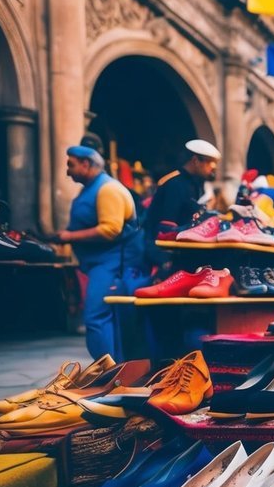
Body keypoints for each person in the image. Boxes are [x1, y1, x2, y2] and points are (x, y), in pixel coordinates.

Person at [54, 141, 141, 360]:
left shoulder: (107, 189)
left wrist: (69, 236)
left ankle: (108, 374)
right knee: (105, 317)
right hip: (101, 264)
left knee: (96, 318)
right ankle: (112, 371)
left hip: (111, 264)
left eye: (71, 165)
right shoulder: (94, 188)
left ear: (85, 164)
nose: (67, 171)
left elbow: (110, 230)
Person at [143, 139, 220, 271]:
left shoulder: (195, 184)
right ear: (196, 161)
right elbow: (166, 229)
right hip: (163, 253)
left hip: (181, 249)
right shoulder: (175, 184)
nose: (213, 167)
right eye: (209, 162)